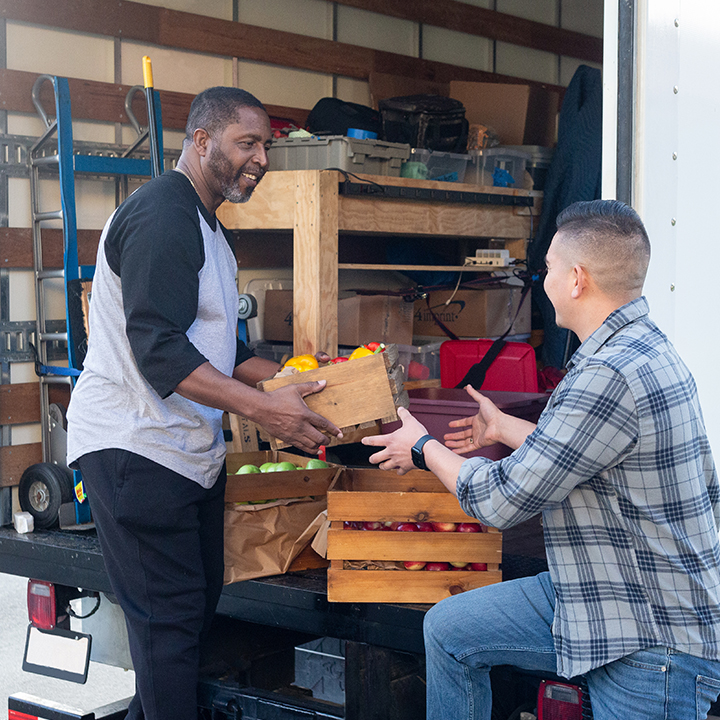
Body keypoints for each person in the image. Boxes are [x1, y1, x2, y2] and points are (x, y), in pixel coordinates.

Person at [363, 199, 720, 720]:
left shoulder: (607, 373)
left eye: (548, 267)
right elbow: (587, 455)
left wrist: (423, 448)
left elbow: (502, 502)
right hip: (596, 591)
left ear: (576, 279)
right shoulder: (641, 348)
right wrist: (505, 427)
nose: (543, 278)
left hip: (650, 636)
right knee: (449, 630)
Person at [66, 86, 341, 720]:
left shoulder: (207, 225)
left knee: (187, 618)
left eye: (266, 145)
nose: (262, 158)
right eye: (248, 143)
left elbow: (222, 349)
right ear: (201, 141)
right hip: (135, 448)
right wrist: (264, 410)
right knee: (170, 628)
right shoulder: (164, 215)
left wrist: (299, 383)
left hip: (184, 452)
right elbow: (159, 351)